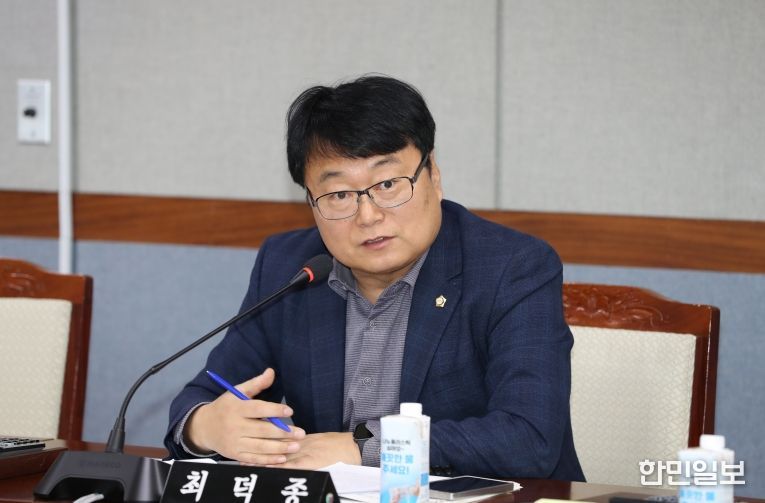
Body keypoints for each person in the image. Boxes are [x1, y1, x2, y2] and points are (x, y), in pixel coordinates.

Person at [165, 75, 585, 481]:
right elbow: (208, 394)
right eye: (339, 195)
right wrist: (205, 428)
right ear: (310, 201)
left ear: (433, 175)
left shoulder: (512, 267)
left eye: (387, 184)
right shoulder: (288, 266)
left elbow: (528, 437)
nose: (368, 216)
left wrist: (364, 447)